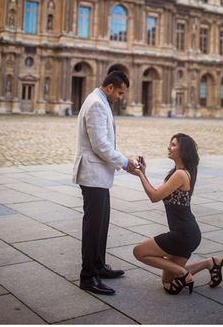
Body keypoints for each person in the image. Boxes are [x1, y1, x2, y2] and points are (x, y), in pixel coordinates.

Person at [131, 133, 223, 295]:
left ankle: (184, 274)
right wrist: (144, 172)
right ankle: (211, 263)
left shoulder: (180, 174)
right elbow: (156, 192)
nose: (169, 147)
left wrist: (140, 175)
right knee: (167, 282)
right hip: (189, 234)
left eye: (174, 145)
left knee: (139, 252)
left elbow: (154, 197)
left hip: (182, 235)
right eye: (170, 144)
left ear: (183, 150)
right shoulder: (174, 172)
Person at [72, 70, 139, 295]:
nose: (121, 96)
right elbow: (100, 145)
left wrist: (123, 162)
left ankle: (99, 265)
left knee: (102, 224)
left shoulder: (100, 101)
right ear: (109, 87)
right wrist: (125, 162)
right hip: (93, 175)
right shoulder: (97, 105)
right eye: (120, 92)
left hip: (99, 176)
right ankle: (88, 276)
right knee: (93, 228)